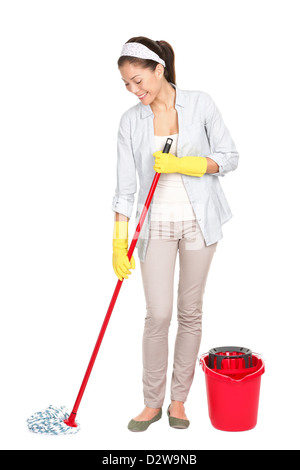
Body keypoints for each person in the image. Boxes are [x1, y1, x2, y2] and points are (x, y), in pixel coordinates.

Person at [112, 36, 239, 431]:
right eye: (127, 85)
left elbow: (229, 157)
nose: (135, 91)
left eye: (138, 80)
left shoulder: (200, 103)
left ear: (158, 69)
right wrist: (119, 241)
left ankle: (178, 401)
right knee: (158, 315)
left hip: (201, 224)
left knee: (189, 312)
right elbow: (124, 188)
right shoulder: (131, 121)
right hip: (155, 227)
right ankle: (152, 402)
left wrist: (184, 164)